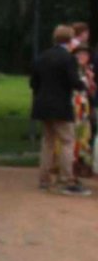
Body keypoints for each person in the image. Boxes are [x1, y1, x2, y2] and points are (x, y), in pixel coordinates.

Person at [31, 24, 90, 195]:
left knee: (47, 142)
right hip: (61, 106)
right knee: (67, 141)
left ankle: (44, 179)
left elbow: (33, 83)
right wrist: (83, 84)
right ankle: (66, 180)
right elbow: (73, 81)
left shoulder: (42, 56)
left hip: (42, 105)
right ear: (70, 39)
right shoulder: (68, 58)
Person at [73, 46, 94, 178]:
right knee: (74, 135)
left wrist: (91, 79)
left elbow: (91, 91)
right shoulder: (73, 70)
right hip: (74, 105)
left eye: (85, 55)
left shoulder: (87, 71)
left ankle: (82, 163)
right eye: (80, 54)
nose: (83, 57)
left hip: (84, 105)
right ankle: (72, 164)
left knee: (84, 135)